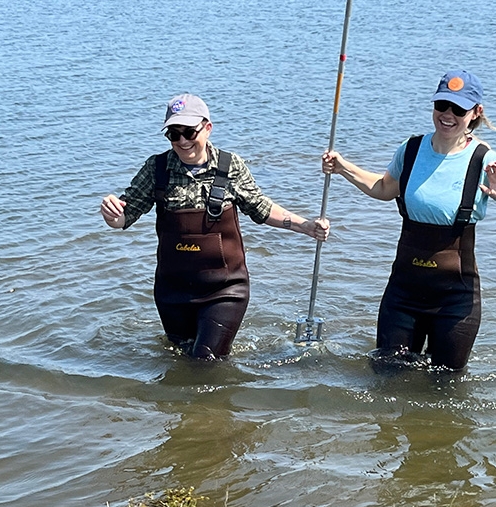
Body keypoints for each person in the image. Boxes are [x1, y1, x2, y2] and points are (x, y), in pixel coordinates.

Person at [321, 69, 496, 371]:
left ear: (476, 112)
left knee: (445, 389)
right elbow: (385, 188)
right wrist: (343, 168)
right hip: (403, 293)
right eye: (442, 105)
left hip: (456, 299)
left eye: (459, 109)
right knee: (386, 377)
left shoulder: (485, 159)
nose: (448, 115)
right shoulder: (411, 149)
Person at [101, 93, 329, 359]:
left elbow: (261, 208)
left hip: (225, 289)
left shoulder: (230, 166)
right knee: (180, 358)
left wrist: (306, 226)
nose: (183, 141)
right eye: (174, 135)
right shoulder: (156, 168)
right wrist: (111, 212)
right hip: (172, 291)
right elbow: (122, 218)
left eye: (189, 132)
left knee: (204, 360)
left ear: (207, 128)